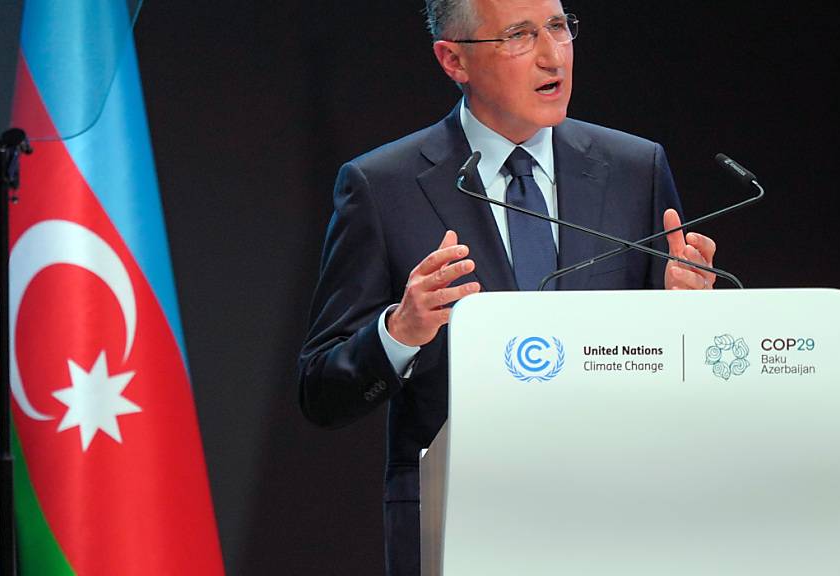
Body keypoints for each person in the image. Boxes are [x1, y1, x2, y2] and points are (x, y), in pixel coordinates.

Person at [298, 1, 717, 574]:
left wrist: (686, 318)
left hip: (616, 519)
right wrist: (401, 332)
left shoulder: (634, 167)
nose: (552, 55)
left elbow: (669, 369)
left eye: (558, 27)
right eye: (519, 35)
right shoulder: (382, 186)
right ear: (453, 60)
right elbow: (322, 390)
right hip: (461, 525)